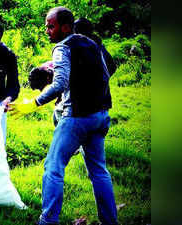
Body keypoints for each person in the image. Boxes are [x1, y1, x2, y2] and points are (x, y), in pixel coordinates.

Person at [9, 7, 118, 225]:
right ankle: (110, 221)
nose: (47, 30)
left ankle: (48, 221)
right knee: (99, 171)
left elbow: (59, 83)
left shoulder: (62, 47)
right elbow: (107, 74)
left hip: (76, 118)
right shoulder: (92, 43)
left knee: (53, 167)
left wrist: (33, 103)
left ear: (65, 27)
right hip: (100, 116)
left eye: (51, 26)